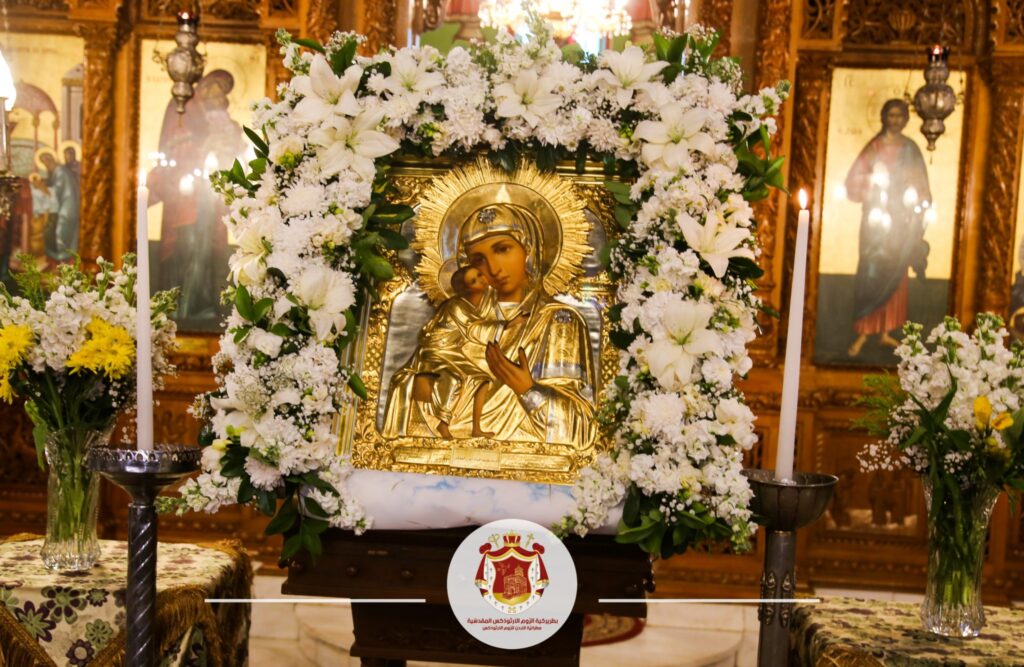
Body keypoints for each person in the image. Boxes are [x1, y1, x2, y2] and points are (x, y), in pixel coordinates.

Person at [383, 204, 596, 449]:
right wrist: (424, 383)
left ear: (528, 248)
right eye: (478, 260)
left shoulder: (558, 321)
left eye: (502, 249)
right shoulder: (458, 312)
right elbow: (408, 382)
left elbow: (580, 431)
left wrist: (528, 390)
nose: (493, 269)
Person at [844, 98, 932, 357]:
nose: (895, 120)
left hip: (901, 224)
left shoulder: (910, 149)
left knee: (897, 272)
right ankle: (864, 332)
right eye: (891, 115)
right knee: (871, 271)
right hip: (875, 223)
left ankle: (885, 332)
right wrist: (873, 182)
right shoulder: (874, 147)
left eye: (900, 116)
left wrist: (916, 200)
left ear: (905, 119)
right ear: (884, 117)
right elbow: (853, 182)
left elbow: (921, 185)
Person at [406, 265, 502, 439]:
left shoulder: (485, 302)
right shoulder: (457, 305)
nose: (481, 280)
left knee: (482, 380)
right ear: (466, 289)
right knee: (453, 378)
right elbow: (474, 329)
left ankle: (476, 429)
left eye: (479, 274)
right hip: (435, 350)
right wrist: (508, 325)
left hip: (452, 352)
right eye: (473, 280)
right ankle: (443, 424)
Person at [38, 149, 79, 264]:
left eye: (46, 161)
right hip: (61, 205)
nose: (46, 164)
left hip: (67, 206)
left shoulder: (60, 171)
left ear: (52, 159)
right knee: (50, 230)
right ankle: (56, 259)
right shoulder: (56, 171)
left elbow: (56, 190)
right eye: (43, 162)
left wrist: (41, 188)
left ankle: (64, 259)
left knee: (61, 231)